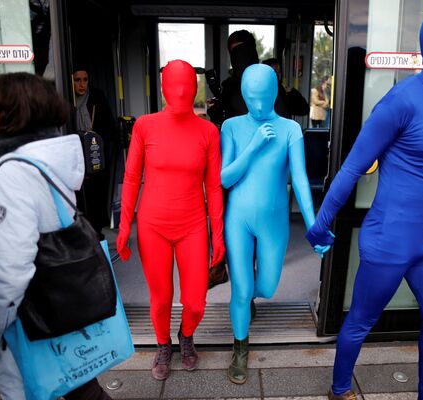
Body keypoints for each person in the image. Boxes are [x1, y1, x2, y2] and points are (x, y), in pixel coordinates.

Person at [305, 4, 423, 400]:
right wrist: (321, 222)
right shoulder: (399, 102)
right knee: (361, 321)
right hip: (388, 240)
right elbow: (352, 168)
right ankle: (339, 389)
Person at [0, 72, 111, 399]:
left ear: (12, 115)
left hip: (31, 331)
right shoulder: (43, 165)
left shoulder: (11, 175)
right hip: (60, 323)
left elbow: (7, 279)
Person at [116, 60, 225, 381]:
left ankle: (186, 335)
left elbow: (214, 187)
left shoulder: (208, 131)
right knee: (161, 297)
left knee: (195, 302)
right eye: (174, 85)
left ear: (196, 89)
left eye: (187, 85)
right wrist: (124, 226)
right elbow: (132, 177)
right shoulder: (145, 126)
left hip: (192, 224)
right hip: (153, 226)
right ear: (162, 88)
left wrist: (216, 235)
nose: (180, 91)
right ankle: (163, 344)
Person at [221, 64, 329, 385]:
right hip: (237, 219)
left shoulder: (290, 129)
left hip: (274, 221)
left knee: (266, 287)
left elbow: (299, 180)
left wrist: (314, 226)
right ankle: (240, 346)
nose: (258, 105)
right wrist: (253, 145)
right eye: (252, 98)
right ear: (243, 95)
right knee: (241, 289)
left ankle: (247, 297)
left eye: (265, 97)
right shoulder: (231, 126)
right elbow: (224, 178)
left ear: (275, 93)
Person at [72, 66, 118, 239]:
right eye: (77, 80)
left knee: (96, 192)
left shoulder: (97, 97)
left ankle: (96, 230)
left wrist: (97, 141)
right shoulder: (66, 99)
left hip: (94, 153)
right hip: (74, 154)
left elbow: (110, 126)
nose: (82, 84)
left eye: (85, 79)